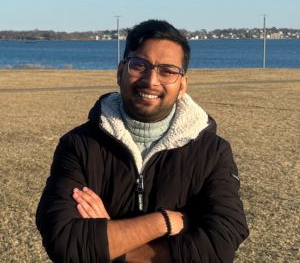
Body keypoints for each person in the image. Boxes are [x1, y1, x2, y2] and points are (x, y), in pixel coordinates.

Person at [36, 19, 249, 262]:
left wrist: (111, 247)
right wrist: (166, 221)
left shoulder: (213, 152)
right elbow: (64, 241)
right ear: (120, 72)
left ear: (182, 85)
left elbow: (220, 245)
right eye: (139, 65)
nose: (151, 81)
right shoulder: (79, 145)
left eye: (167, 71)